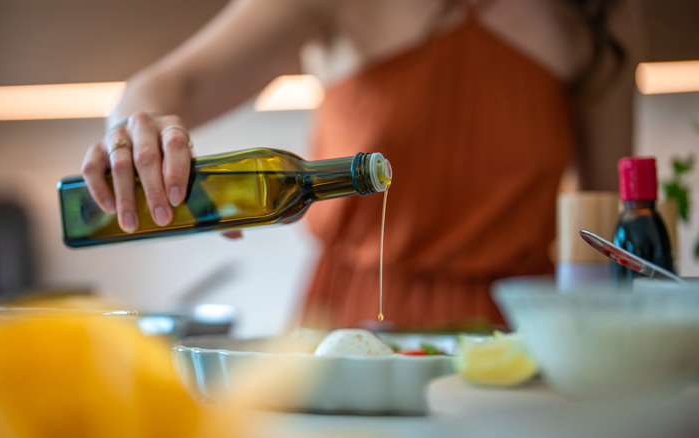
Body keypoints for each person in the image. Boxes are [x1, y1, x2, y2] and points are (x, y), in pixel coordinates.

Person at [81, 0, 644, 330]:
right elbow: (168, 85)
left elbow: (609, 231)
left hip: (518, 334)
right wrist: (135, 134)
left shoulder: (596, 18)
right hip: (349, 327)